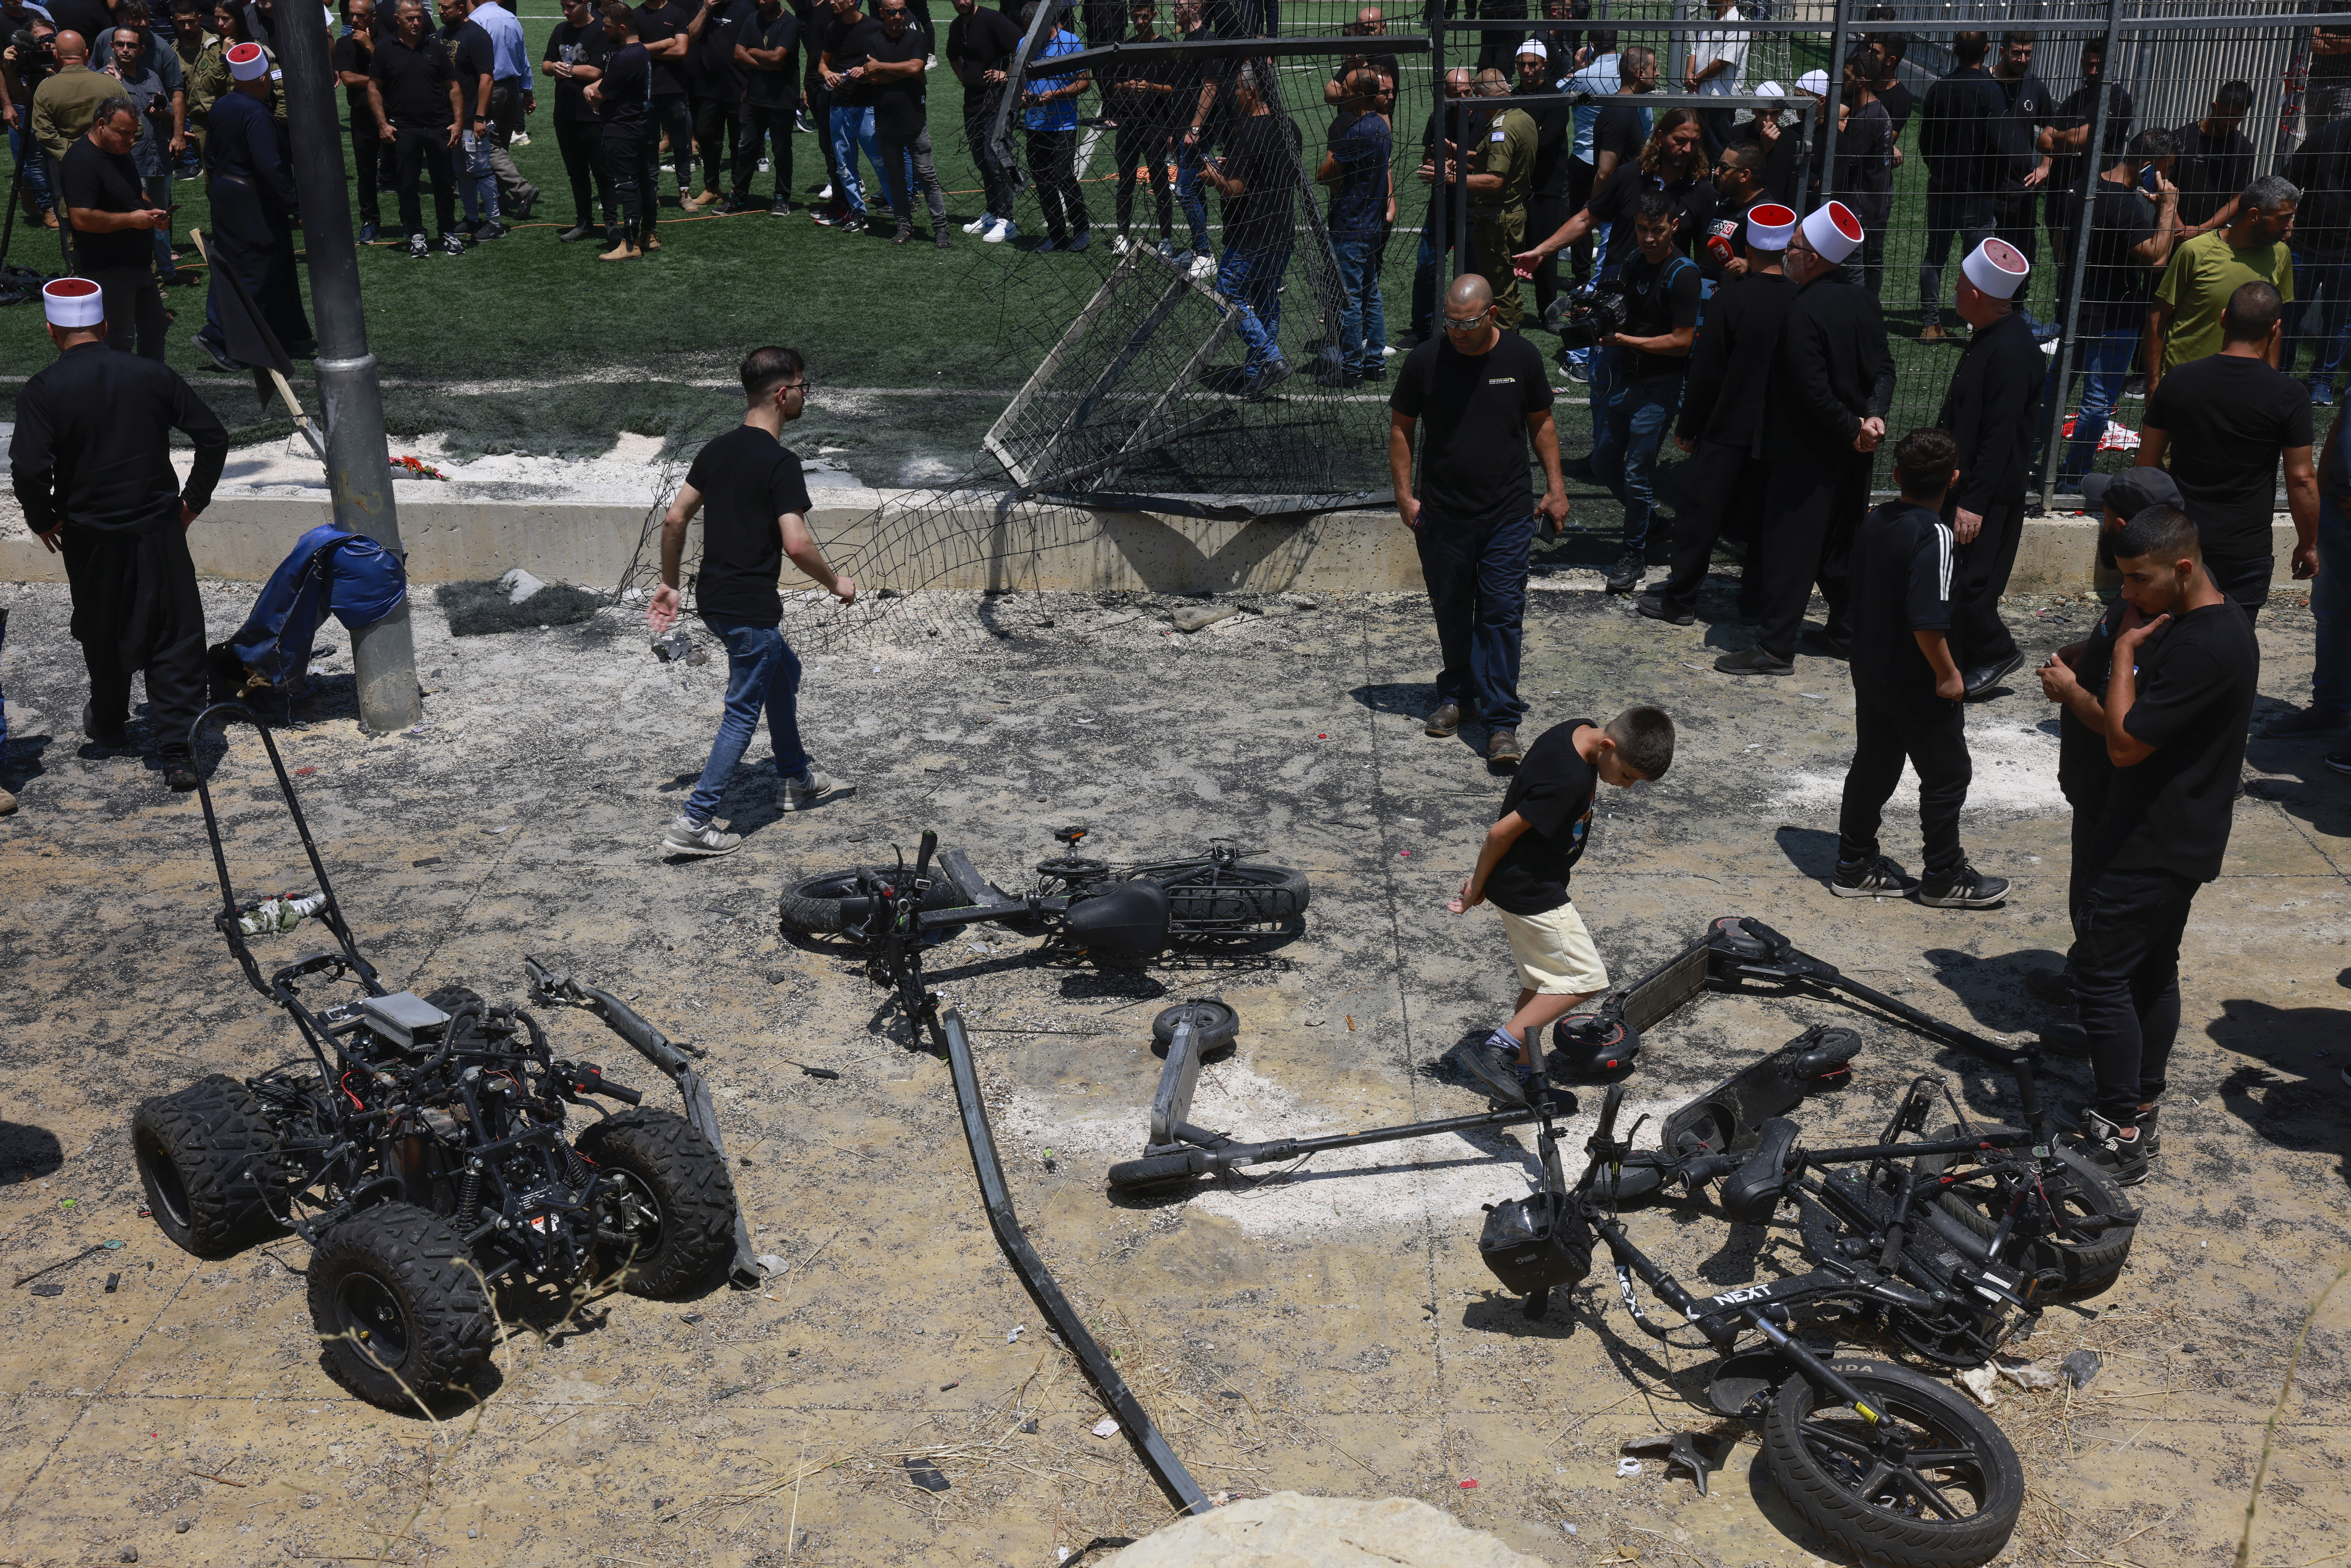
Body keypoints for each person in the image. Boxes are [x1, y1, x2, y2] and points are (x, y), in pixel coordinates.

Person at [2034, 505, 2258, 1184]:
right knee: (2152, 970)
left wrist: (2095, 676)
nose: (2128, 592)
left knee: (2101, 976)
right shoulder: (2201, 624)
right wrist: (2107, 651)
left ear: (2183, 568)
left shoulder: (2204, 645)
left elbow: (2127, 742)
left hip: (2149, 839)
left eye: (2139, 578)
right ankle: (2141, 1097)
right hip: (2178, 832)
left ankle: (2117, 1131)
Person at [11, 276, 230, 794]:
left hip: (89, 536)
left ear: (51, 331)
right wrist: (190, 504)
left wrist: (42, 518)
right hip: (159, 528)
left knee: (102, 625)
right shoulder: (151, 373)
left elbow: (28, 468)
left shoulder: (44, 389)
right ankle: (178, 752)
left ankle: (109, 721)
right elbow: (213, 437)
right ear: (106, 326)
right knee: (174, 633)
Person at [647, 345, 856, 857]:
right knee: (742, 711)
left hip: (714, 599)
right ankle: (696, 821)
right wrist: (835, 583)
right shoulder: (781, 463)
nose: (807, 395)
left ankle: (795, 776)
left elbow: (675, 520)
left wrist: (670, 583)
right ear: (783, 394)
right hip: (749, 607)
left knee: (783, 671)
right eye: (804, 387)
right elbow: (797, 543)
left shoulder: (716, 449)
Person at [1446, 707, 1674, 1103]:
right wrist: (1476, 885)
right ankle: (1497, 1048)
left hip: (1520, 880)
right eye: (1627, 776)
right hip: (1532, 889)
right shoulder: (1569, 780)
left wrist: (1488, 879)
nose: (1625, 788)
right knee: (1585, 979)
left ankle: (1522, 1074)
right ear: (1607, 746)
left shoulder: (1575, 731)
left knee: (1542, 984)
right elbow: (1500, 832)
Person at [1389, 272, 1568, 772]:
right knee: (1451, 609)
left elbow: (1542, 423)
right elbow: (1402, 428)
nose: (1457, 332)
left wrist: (1555, 488)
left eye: (1467, 323)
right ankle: (1456, 694)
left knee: (1500, 614)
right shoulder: (1426, 361)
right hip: (1443, 515)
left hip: (1507, 514)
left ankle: (1501, 722)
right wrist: (1404, 496)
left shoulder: (1521, 357)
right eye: (1450, 322)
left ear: (1491, 314)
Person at [1831, 426, 2007, 908]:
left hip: (1870, 671)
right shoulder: (1935, 534)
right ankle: (1944, 875)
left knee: (1874, 763)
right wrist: (1949, 674)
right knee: (1948, 773)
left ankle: (1853, 862)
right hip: (1915, 679)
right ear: (1953, 479)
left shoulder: (1875, 519)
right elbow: (1927, 622)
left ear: (1895, 475)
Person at [1717, 201, 1890, 677]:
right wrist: (1871, 420)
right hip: (1853, 455)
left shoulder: (1802, 311)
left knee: (1789, 551)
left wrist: (1850, 428)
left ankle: (1774, 648)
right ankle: (1845, 631)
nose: (1787, 254)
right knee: (1839, 549)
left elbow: (1809, 390)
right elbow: (1885, 371)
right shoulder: (1866, 302)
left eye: (1792, 247)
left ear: (1810, 258)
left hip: (1804, 455)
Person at [1643, 200, 1795, 626]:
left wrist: (1689, 426)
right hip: (1775, 431)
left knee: (1699, 514)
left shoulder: (1732, 298)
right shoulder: (1799, 299)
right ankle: (1753, 602)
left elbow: (1707, 371)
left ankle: (1680, 600)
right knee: (1764, 518)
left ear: (1747, 243)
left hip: (1726, 425)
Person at [2139, 281, 2317, 624]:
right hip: (2244, 547)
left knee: (2166, 639)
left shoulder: (2178, 380)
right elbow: (2301, 479)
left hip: (2180, 540)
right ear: (2275, 328)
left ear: (2223, 319)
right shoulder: (2289, 395)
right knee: (2230, 646)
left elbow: (2146, 464)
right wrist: (2307, 543)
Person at [1933, 236, 2041, 698]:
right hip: (1970, 485)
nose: (1954, 294)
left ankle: (1996, 652)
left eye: (1958, 287)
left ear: (1976, 296)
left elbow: (1999, 438)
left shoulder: (2012, 354)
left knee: (1974, 585)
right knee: (1956, 580)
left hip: (1989, 494)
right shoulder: (1995, 338)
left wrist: (1974, 503)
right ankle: (1960, 661)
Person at [2045, 128, 2179, 491]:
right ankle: (2072, 478)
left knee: (2054, 388)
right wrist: (2166, 209)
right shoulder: (2125, 207)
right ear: (2150, 165)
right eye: (2166, 168)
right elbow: (2156, 259)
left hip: (2076, 308)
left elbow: (2058, 243)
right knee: (2097, 402)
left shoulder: (2079, 188)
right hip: (2113, 317)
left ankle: (2030, 458)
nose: (2168, 177)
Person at [1586, 189, 1696, 595]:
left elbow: (1682, 342)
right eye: (1642, 229)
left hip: (1659, 387)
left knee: (1636, 472)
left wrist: (1626, 342)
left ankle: (1633, 553)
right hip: (1627, 381)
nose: (1649, 238)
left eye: (1657, 230)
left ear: (1674, 226)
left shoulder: (1684, 274)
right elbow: (1622, 307)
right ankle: (1651, 524)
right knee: (1602, 464)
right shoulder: (1634, 261)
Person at [196, 39, 307, 365]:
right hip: (251, 199)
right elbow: (269, 166)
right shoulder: (255, 113)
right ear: (263, 79)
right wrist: (296, 207)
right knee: (255, 269)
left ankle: (283, 333)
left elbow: (212, 156)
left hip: (227, 193)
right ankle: (219, 337)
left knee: (260, 263)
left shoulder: (223, 105)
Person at [2147, 172, 2296, 390]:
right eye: (2283, 218)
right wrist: (2153, 384)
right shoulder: (2195, 252)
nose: (2290, 227)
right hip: (2185, 385)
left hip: (2243, 389)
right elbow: (2158, 317)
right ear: (2254, 216)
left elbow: (2275, 326)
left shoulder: (2281, 255)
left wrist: (2271, 382)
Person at [1198, 61, 1293, 392]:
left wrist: (1213, 176)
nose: (1234, 94)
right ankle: (1255, 376)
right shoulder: (1288, 127)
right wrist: (1232, 165)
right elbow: (1268, 170)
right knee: (1266, 303)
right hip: (1281, 231)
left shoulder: (1248, 132)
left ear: (1252, 92)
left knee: (1226, 293)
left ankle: (1270, 357)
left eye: (1238, 89)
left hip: (1250, 236)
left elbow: (1235, 189)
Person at [1421, 68, 1533, 331]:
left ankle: (1501, 342)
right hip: (1505, 215)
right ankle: (1509, 337)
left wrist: (1450, 178)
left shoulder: (1501, 128)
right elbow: (1489, 159)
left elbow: (1495, 180)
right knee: (1505, 285)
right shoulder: (1522, 118)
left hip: (1497, 218)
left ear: (1480, 97)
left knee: (1496, 286)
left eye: (1470, 95)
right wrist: (1459, 153)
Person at [61, 96, 168, 358]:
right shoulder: (81, 162)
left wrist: (153, 211)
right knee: (118, 343)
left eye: (133, 133)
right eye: (124, 133)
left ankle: (151, 389)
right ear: (101, 124)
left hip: (139, 264)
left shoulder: (120, 151)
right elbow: (82, 218)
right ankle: (121, 398)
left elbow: (133, 192)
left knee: (155, 328)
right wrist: (133, 220)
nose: (131, 140)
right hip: (107, 270)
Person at [94, 2, 187, 285]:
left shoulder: (153, 77)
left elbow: (169, 116)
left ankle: (167, 272)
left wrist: (163, 114)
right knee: (138, 220)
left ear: (141, 51)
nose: (125, 50)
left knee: (161, 218)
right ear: (112, 46)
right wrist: (119, 88)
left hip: (158, 156)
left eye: (131, 46)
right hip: (130, 162)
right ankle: (147, 278)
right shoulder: (102, 81)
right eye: (120, 45)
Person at [1917, 31, 1999, 344]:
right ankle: (1977, 324)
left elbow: (1926, 140)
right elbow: (1995, 144)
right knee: (1978, 260)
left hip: (1941, 186)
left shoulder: (1939, 88)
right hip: (1976, 191)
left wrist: (1938, 169)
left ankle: (1930, 324)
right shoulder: (1990, 91)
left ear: (1953, 50)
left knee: (1934, 256)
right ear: (1987, 50)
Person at [2040, 38, 2130, 323]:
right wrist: (2068, 140)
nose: (2091, 71)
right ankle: (2061, 322)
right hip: (2060, 192)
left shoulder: (2117, 99)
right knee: (2063, 263)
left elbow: (2081, 139)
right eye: (2087, 64)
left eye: (2098, 65)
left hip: (2091, 196)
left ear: (2110, 64)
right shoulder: (2075, 98)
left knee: (2084, 264)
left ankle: (2073, 327)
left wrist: (2064, 138)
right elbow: (2044, 142)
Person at [368, 0, 464, 258]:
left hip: (438, 126)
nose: (417, 23)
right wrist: (383, 124)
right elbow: (374, 87)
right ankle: (416, 235)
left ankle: (448, 232)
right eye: (411, 18)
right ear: (398, 20)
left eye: (420, 17)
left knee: (444, 184)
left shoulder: (435, 46)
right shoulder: (385, 49)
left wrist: (458, 123)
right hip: (404, 129)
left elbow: (453, 86)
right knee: (408, 185)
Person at [1317, 65, 1388, 386]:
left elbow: (1325, 174)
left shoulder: (1357, 132)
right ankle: (1375, 363)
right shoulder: (1381, 126)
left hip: (1351, 224)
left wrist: (1331, 162)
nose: (1340, 93)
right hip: (1371, 224)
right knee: (1371, 295)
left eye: (1345, 89)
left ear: (1359, 95)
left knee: (1350, 300)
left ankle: (1351, 370)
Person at [858, 0, 943, 244]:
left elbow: (917, 67)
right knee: (895, 177)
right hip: (886, 122)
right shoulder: (873, 41)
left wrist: (882, 68)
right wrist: (904, 72)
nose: (899, 16)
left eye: (903, 11)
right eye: (893, 12)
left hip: (916, 121)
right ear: (883, 13)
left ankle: (941, 228)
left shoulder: (918, 39)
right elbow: (872, 79)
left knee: (928, 176)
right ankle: (904, 228)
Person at [2288, 108, 2351, 404]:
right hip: (2305, 244)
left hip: (2347, 254)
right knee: (2288, 312)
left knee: (2338, 321)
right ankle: (2277, 373)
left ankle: (2321, 383)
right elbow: (2289, 180)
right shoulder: (2326, 135)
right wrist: (2286, 221)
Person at [1511, 40, 1572, 332]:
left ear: (1544, 66)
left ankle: (1548, 313)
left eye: (1532, 64)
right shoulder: (1514, 95)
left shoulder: (1556, 98)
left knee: (1544, 254)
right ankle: (1507, 308)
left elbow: (1546, 143)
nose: (1526, 70)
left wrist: (1519, 138)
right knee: (1509, 248)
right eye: (1521, 65)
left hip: (1546, 187)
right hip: (1515, 186)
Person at [1103, 0, 1172, 255]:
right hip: (1128, 125)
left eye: (1145, 17)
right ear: (1131, 17)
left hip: (1156, 126)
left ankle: (1166, 239)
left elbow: (1176, 89)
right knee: (1126, 182)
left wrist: (1151, 87)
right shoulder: (1126, 48)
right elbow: (1113, 87)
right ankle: (1122, 235)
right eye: (1137, 17)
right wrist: (1126, 87)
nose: (1141, 22)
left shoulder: (1165, 46)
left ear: (1154, 15)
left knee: (1160, 182)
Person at [946, 0, 1018, 241]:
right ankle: (993, 211)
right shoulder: (957, 27)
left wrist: (1007, 75)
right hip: (973, 103)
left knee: (995, 158)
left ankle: (1007, 220)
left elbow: (1022, 46)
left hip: (997, 102)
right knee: (981, 159)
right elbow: (952, 56)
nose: (962, 2)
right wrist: (964, 78)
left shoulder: (993, 20)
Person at [542, 0, 614, 239]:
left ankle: (612, 223)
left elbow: (596, 71)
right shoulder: (560, 30)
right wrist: (555, 67)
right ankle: (584, 222)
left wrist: (567, 70)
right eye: (563, 6)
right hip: (564, 114)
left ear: (586, 3)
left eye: (571, 6)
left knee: (602, 171)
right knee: (577, 172)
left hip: (593, 116)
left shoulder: (601, 30)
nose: (565, 11)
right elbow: (545, 65)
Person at [1019, 0, 1087, 250]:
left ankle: (1081, 229)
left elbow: (1084, 83)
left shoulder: (1071, 43)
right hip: (1035, 125)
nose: (1031, 36)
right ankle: (1057, 235)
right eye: (1028, 31)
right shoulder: (1024, 44)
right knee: (1044, 183)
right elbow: (1020, 81)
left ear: (1047, 22)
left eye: (1035, 31)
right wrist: (1025, 97)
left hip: (1063, 126)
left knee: (1064, 176)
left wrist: (1055, 95)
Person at [584, 0, 648, 257]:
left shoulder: (625, 57)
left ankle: (629, 245)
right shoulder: (641, 51)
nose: (603, 30)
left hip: (622, 129)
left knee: (627, 186)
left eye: (608, 27)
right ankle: (647, 236)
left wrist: (590, 92)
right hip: (638, 127)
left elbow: (599, 95)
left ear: (622, 28)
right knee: (641, 183)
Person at [681, 0, 754, 212]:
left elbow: (753, 44)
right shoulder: (705, 8)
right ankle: (712, 189)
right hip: (708, 87)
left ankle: (737, 192)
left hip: (738, 87)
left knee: (739, 143)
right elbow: (692, 37)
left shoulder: (746, 9)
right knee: (706, 137)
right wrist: (705, 9)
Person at [1830, 48, 1890, 293]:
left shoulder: (1866, 120)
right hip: (1876, 205)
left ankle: (1859, 317)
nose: (1842, 82)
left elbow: (1846, 161)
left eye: (1846, 78)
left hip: (1859, 209)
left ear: (1862, 82)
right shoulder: (1878, 111)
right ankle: (1870, 315)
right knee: (1872, 265)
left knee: (1854, 271)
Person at [468, 0, 535, 217]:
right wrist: (528, 91)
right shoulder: (511, 18)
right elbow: (523, 57)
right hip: (511, 90)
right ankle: (500, 201)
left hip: (490, 90)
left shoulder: (477, 20)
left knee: (488, 146)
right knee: (501, 147)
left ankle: (523, 190)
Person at [729, 0, 794, 214]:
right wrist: (768, 66)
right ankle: (738, 197)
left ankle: (782, 198)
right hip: (754, 97)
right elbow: (739, 54)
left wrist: (754, 51)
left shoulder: (789, 23)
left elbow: (778, 57)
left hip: (781, 99)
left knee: (781, 151)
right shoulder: (752, 19)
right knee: (746, 149)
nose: (762, 1)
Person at [336, 0, 393, 241]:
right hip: (362, 116)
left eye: (360, 16)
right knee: (366, 173)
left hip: (392, 114)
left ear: (374, 17)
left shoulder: (389, 42)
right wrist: (379, 79)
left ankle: (412, 223)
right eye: (351, 16)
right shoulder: (343, 44)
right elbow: (348, 79)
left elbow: (398, 73)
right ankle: (370, 221)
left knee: (404, 170)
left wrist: (371, 49)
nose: (354, 21)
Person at [2170, 80, 2254, 240]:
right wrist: (2178, 227)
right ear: (2214, 107)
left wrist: (2202, 230)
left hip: (2211, 240)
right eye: (2228, 115)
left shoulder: (2243, 148)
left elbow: (2239, 198)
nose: (2233, 123)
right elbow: (2164, 188)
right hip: (2171, 232)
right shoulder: (2181, 138)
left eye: (2239, 118)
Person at [635, 0, 695, 211]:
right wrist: (663, 44)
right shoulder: (636, 15)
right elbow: (632, 51)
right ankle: (652, 194)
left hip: (675, 89)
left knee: (682, 144)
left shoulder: (677, 13)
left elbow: (681, 51)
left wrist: (646, 51)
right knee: (649, 146)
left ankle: (685, 193)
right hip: (647, 91)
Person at [1683, 0, 1743, 159]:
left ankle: (1719, 185)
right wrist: (1689, 72)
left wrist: (1697, 79)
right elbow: (1695, 50)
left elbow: (1724, 62)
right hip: (1700, 96)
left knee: (1718, 153)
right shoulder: (1710, 20)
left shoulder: (1738, 24)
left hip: (1721, 100)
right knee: (1697, 151)